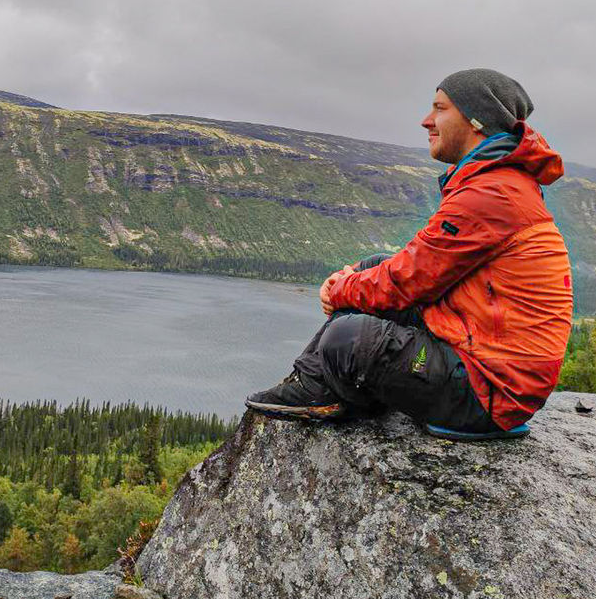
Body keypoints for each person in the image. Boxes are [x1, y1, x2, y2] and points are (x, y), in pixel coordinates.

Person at [245, 68, 573, 437]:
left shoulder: (492, 193)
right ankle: (316, 383)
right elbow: (416, 267)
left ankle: (323, 388)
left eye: (440, 109)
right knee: (371, 269)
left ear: (476, 120)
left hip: (488, 392)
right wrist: (354, 279)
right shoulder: (495, 182)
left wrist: (339, 289)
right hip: (482, 362)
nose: (426, 121)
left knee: (349, 340)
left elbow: (408, 281)